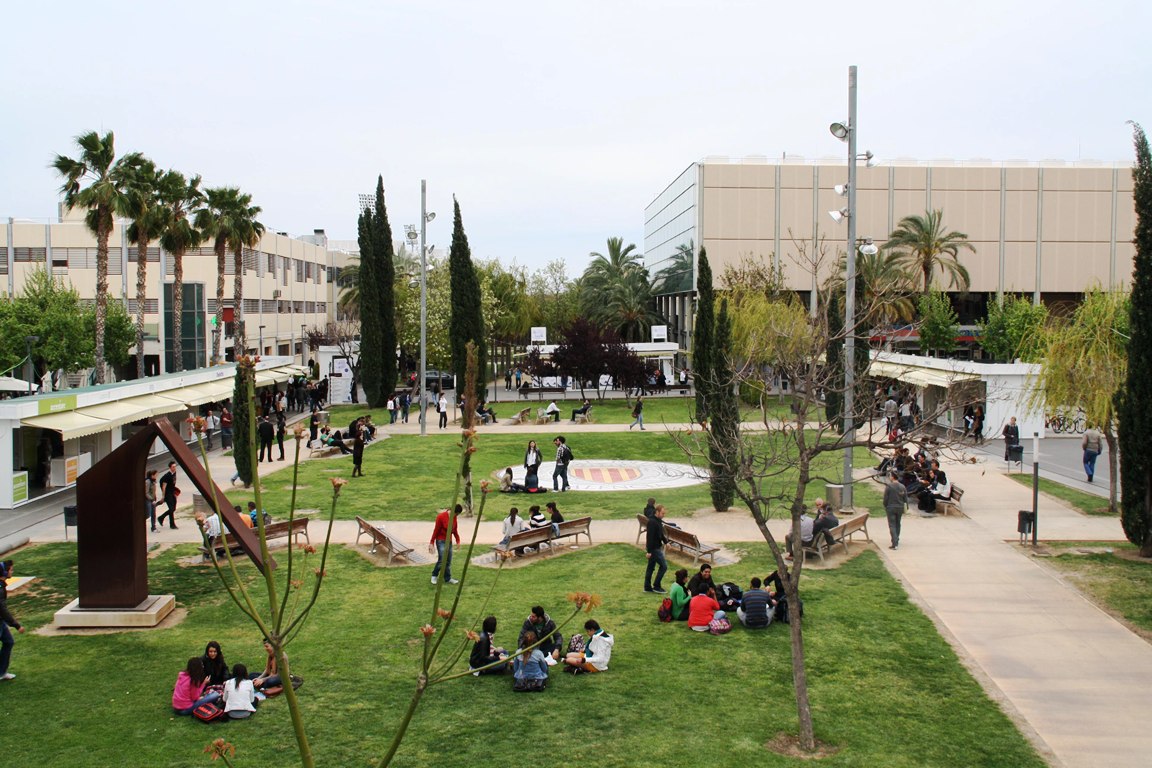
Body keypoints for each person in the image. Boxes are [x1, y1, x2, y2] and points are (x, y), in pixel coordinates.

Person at [0, 560, 25, 681]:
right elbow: (2, 609)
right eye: (11, 569)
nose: (12, 571)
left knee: (8, 642)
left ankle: (2, 672)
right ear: (4, 572)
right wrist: (16, 625)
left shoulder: (1, 584)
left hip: (1, 622)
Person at [429, 505, 461, 585]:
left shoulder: (454, 517)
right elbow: (436, 530)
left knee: (448, 561)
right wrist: (432, 542)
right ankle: (434, 575)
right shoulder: (441, 517)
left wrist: (458, 540)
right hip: (441, 540)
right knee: (442, 560)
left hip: (449, 541)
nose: (456, 516)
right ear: (454, 511)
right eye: (456, 514)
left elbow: (455, 530)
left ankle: (448, 578)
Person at [644, 504, 669, 594]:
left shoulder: (658, 521)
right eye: (662, 513)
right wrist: (649, 552)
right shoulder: (652, 522)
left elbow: (660, 533)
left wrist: (666, 542)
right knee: (664, 566)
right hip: (654, 549)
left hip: (656, 547)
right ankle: (656, 586)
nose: (663, 515)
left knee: (650, 567)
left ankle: (647, 587)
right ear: (657, 512)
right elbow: (649, 538)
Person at [883, 470, 908, 550]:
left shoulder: (889, 487)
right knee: (898, 523)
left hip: (891, 508)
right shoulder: (902, 487)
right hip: (900, 507)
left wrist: (886, 506)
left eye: (890, 476)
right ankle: (896, 538)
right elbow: (905, 499)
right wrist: (906, 507)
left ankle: (895, 542)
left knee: (892, 525)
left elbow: (885, 499)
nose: (890, 477)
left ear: (893, 477)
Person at [158, 460, 180, 530]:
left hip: (172, 492)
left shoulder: (174, 473)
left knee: (173, 509)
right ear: (170, 467)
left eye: (175, 467)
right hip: (168, 494)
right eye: (173, 467)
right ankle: (171, 523)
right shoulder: (167, 476)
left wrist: (175, 493)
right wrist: (163, 496)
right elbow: (163, 486)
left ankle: (162, 518)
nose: (174, 468)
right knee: (171, 509)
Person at [145, 469, 159, 533]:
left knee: (153, 514)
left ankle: (153, 527)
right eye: (156, 475)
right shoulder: (148, 482)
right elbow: (146, 492)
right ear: (152, 475)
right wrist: (151, 499)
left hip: (153, 500)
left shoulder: (153, 481)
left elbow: (153, 491)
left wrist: (155, 498)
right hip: (148, 500)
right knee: (148, 514)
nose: (156, 476)